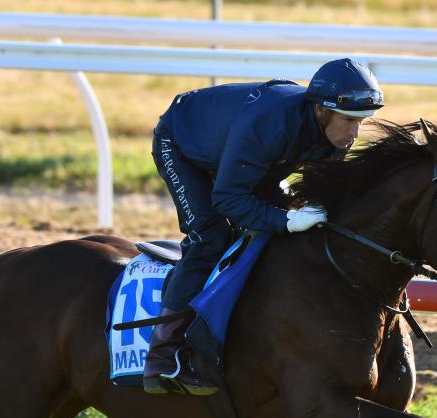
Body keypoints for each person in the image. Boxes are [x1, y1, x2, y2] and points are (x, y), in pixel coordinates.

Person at [144, 58, 385, 396]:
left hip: (245, 155)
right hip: (181, 145)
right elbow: (228, 200)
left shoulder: (331, 134)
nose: (353, 135)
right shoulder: (270, 126)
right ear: (320, 111)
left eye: (361, 122)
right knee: (210, 238)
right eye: (348, 121)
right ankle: (161, 357)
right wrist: (286, 219)